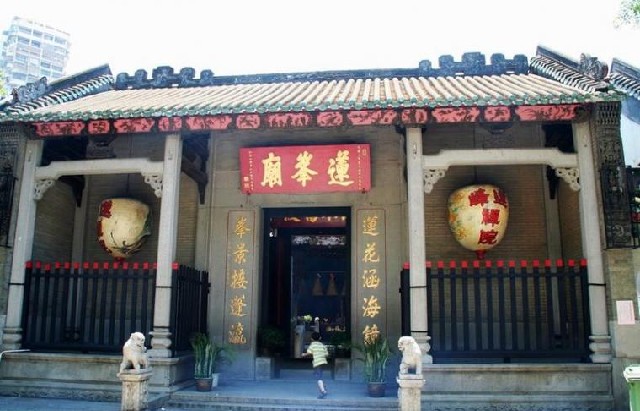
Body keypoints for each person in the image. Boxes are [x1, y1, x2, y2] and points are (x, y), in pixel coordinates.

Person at [302, 331, 329, 398]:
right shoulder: (322, 345)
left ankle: (323, 391)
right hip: (323, 362)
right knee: (319, 374)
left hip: (317, 362)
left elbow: (309, 353)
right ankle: (324, 387)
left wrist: (304, 354)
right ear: (320, 338)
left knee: (318, 377)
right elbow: (326, 354)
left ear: (311, 339)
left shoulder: (312, 345)